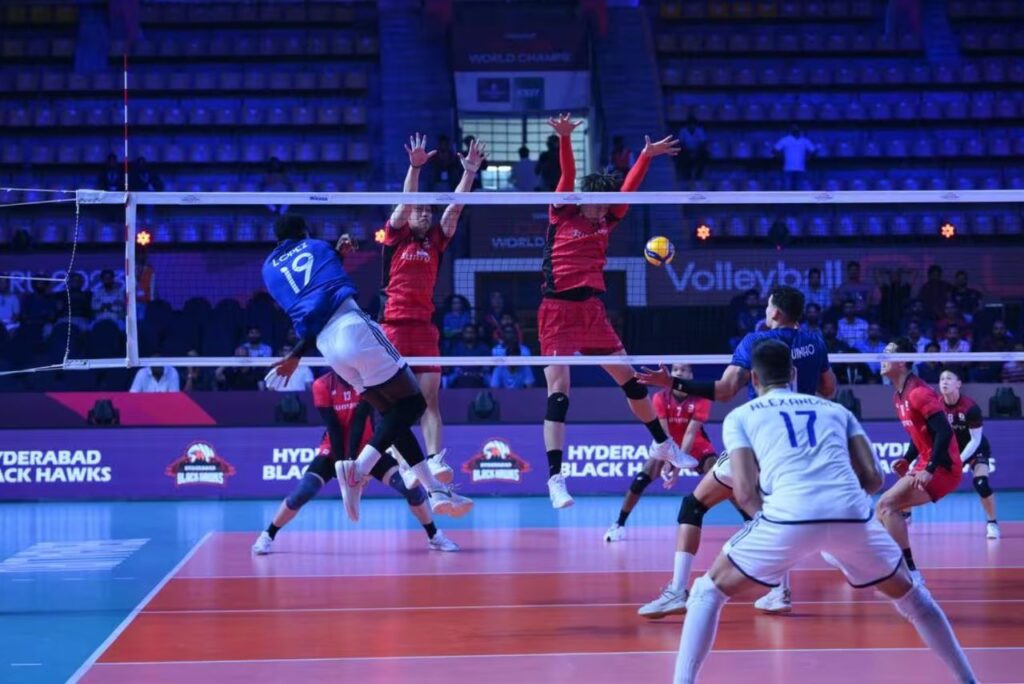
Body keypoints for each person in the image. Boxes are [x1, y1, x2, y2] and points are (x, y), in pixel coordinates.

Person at [674, 339, 977, 684]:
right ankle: (970, 681)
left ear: (753, 380)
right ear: (791, 374)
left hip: (786, 517)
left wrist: (776, 523)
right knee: (915, 601)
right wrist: (835, 508)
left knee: (706, 591)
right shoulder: (837, 411)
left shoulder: (741, 416)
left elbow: (743, 492)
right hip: (851, 514)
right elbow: (874, 478)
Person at [637, 285, 837, 615]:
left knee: (693, 506)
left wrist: (672, 383)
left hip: (759, 443)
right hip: (797, 446)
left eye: (768, 306)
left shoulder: (756, 342)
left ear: (775, 312)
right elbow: (828, 389)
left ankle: (677, 591)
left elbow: (726, 390)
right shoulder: (815, 342)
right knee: (769, 513)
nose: (764, 311)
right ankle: (780, 592)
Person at [260, 213, 471, 522]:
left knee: (391, 415)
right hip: (352, 327)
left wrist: (295, 355)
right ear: (304, 233)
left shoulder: (269, 271)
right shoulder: (317, 246)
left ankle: (435, 489)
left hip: (326, 347)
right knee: (414, 403)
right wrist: (335, 252)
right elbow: (325, 292)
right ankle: (358, 469)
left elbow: (310, 302)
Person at [538, 112, 691, 509]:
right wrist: (566, 139)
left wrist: (646, 156)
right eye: (595, 201)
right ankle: (556, 479)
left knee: (632, 382)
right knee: (559, 393)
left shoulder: (608, 219)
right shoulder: (562, 212)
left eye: (606, 202)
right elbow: (567, 176)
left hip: (591, 311)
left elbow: (629, 187)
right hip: (556, 311)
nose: (600, 207)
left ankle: (663, 445)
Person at [378, 133, 486, 486]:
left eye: (428, 210)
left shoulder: (437, 241)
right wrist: (415, 167)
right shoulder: (395, 237)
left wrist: (468, 173)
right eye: (419, 210)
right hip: (392, 328)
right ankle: (406, 465)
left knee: (429, 400)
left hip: (424, 329)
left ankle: (436, 460)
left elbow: (455, 207)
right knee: (396, 406)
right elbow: (407, 200)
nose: (423, 213)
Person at [252, 371, 458, 555]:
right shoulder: (322, 385)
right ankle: (267, 535)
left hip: (370, 449)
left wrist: (357, 467)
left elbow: (361, 419)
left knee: (412, 489)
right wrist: (346, 468)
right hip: (333, 450)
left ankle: (434, 535)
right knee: (304, 491)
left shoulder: (366, 380)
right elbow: (333, 427)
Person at [877, 337, 963, 585]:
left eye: (888, 353)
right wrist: (907, 458)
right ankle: (884, 563)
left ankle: (910, 571)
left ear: (901, 361)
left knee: (887, 505)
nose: (882, 359)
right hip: (925, 462)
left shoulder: (919, 393)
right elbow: (920, 434)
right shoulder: (898, 396)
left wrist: (931, 468)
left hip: (943, 468)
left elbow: (945, 432)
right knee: (881, 511)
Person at [605, 363, 717, 544]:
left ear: (690, 375)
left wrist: (677, 468)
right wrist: (668, 459)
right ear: (671, 373)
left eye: (684, 370)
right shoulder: (659, 398)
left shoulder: (701, 398)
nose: (679, 372)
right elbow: (663, 432)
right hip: (667, 443)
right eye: (676, 370)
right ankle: (619, 524)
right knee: (640, 480)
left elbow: (690, 433)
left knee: (722, 473)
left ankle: (748, 519)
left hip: (695, 444)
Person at [936, 369, 999, 539]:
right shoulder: (936, 406)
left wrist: (959, 459)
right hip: (951, 448)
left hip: (975, 447)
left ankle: (992, 524)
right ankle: (906, 515)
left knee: (981, 483)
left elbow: (975, 440)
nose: (944, 382)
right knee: (921, 477)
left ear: (958, 384)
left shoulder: (970, 408)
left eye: (949, 378)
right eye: (941, 379)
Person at [490, 323, 535, 389]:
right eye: (507, 332)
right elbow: (494, 389)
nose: (513, 359)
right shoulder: (499, 369)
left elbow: (529, 388)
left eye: (515, 356)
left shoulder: (525, 368)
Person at [774, 124, 815, 191]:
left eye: (797, 128)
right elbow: (775, 150)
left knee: (799, 189)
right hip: (788, 168)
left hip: (800, 168)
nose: (796, 130)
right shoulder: (785, 139)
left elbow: (813, 150)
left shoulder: (804, 140)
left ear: (800, 130)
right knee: (787, 188)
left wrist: (807, 159)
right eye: (794, 128)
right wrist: (782, 159)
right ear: (791, 130)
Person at [677, 114, 708, 186]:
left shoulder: (700, 130)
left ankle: (698, 177)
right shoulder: (683, 131)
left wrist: (696, 152)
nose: (691, 126)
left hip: (698, 151)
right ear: (687, 125)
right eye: (690, 124)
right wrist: (689, 152)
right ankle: (687, 177)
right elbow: (681, 143)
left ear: (695, 125)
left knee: (704, 155)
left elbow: (703, 143)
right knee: (682, 156)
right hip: (686, 151)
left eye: (693, 124)